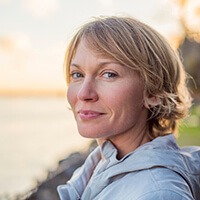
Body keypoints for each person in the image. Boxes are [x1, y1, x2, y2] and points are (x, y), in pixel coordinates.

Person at [57, 16, 200, 200]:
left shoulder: (158, 193)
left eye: (108, 74)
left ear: (153, 92)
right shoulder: (97, 165)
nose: (83, 93)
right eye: (77, 74)